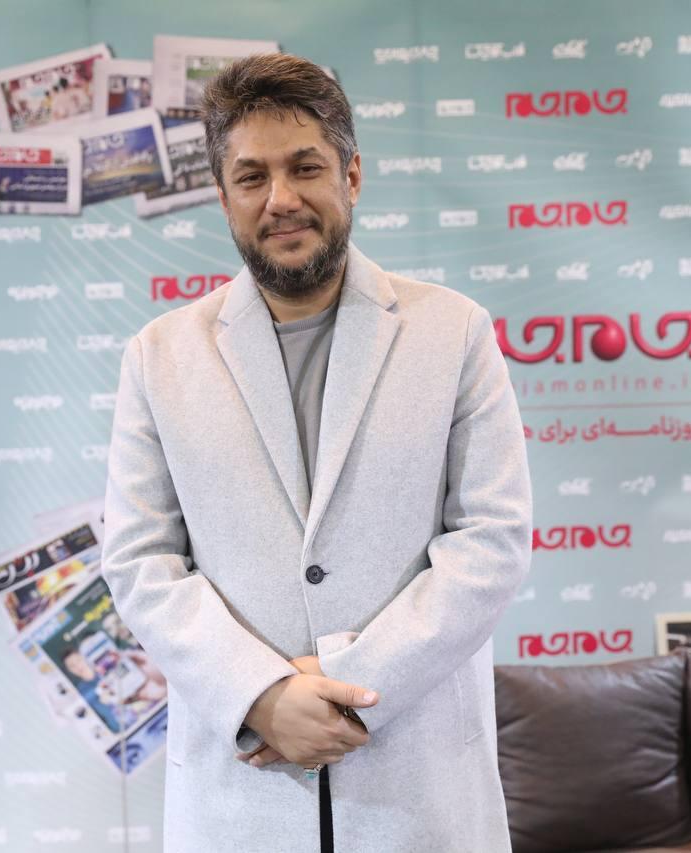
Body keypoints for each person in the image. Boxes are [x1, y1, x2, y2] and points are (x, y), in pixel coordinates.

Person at [102, 53, 531, 853]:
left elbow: (491, 542)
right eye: (252, 176)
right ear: (223, 194)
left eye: (305, 167)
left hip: (420, 792)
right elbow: (139, 562)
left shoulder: (455, 333)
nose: (282, 199)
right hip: (239, 799)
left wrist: (355, 687)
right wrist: (261, 693)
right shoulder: (158, 357)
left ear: (352, 175)